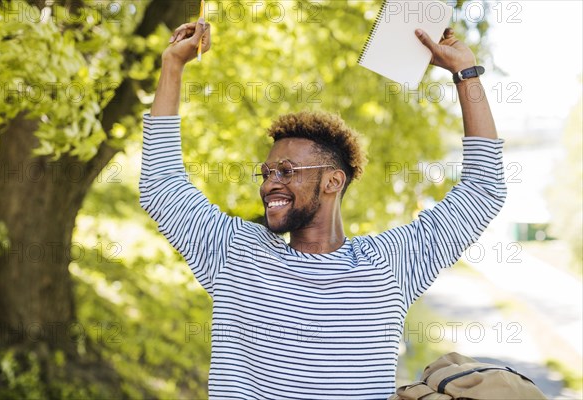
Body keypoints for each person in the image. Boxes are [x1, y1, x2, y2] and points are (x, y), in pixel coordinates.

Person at [139, 17, 506, 400]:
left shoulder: (390, 264)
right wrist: (172, 66)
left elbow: (483, 190)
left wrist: (466, 74)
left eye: (285, 171)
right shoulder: (238, 253)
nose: (269, 184)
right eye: (266, 173)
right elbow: (161, 186)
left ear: (333, 181)